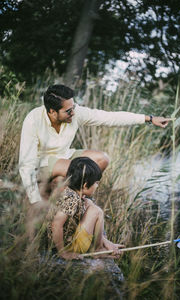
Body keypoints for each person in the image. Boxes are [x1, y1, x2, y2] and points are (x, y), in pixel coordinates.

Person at [19, 84, 171, 204]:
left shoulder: (74, 112)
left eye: (73, 108)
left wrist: (149, 119)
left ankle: (71, 198)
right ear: (52, 112)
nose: (73, 113)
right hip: (43, 164)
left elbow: (108, 118)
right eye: (68, 111)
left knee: (101, 159)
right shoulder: (33, 120)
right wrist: (34, 200)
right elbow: (26, 164)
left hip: (65, 156)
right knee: (80, 169)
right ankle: (71, 201)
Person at [47, 157, 124, 260]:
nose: (97, 186)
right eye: (96, 183)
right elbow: (56, 224)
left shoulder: (68, 191)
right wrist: (63, 252)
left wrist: (106, 241)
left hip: (64, 239)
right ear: (85, 185)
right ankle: (98, 249)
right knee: (97, 212)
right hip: (67, 246)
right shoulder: (72, 199)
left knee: (88, 202)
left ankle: (102, 243)